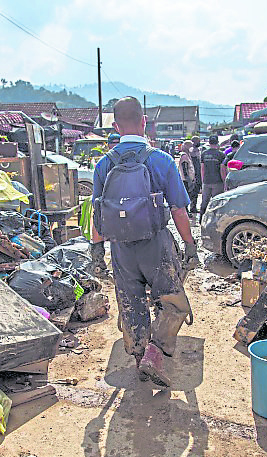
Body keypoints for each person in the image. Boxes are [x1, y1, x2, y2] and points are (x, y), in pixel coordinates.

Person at [91, 97, 198, 386]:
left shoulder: (103, 164)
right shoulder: (161, 160)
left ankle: (139, 357)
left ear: (115, 126)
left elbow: (97, 214)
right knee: (172, 302)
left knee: (131, 304)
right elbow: (178, 210)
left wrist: (96, 250)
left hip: (121, 249)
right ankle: (156, 351)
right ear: (144, 122)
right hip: (156, 246)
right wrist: (189, 244)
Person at [198, 135, 226, 216]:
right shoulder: (221, 154)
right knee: (217, 202)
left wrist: (203, 181)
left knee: (204, 202)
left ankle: (201, 218)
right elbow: (222, 169)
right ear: (217, 143)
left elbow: (202, 169)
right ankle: (215, 219)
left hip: (207, 181)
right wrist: (224, 181)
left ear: (209, 143)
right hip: (218, 182)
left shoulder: (204, 154)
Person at [188, 135, 202, 209]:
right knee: (193, 192)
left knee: (196, 192)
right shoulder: (191, 151)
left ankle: (193, 207)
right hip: (194, 174)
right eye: (198, 141)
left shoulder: (198, 150)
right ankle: (192, 207)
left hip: (199, 173)